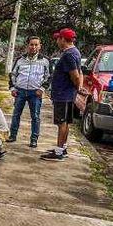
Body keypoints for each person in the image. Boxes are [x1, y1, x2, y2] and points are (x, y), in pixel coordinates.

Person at [41, 28, 84, 161]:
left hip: (63, 93)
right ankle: (62, 148)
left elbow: (75, 75)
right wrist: (79, 87)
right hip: (68, 93)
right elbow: (80, 73)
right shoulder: (75, 52)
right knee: (65, 122)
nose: (57, 41)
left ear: (63, 40)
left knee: (62, 122)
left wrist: (78, 87)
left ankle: (59, 151)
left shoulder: (68, 55)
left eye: (58, 39)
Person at [7, 36, 50, 148]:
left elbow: (49, 77)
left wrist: (42, 89)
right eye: (31, 44)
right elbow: (13, 74)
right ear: (27, 46)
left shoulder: (45, 61)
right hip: (20, 91)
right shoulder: (20, 60)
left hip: (35, 93)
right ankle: (12, 135)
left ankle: (34, 139)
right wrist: (12, 88)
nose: (33, 47)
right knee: (16, 114)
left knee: (35, 116)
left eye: (36, 45)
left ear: (40, 46)